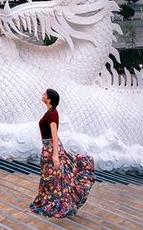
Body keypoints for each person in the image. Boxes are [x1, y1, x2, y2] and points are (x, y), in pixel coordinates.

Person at [29, 88, 95, 218]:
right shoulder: (49, 112)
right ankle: (47, 200)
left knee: (52, 177)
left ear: (49, 99)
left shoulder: (53, 114)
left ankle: (56, 202)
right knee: (48, 176)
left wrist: (55, 155)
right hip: (48, 147)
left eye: (44, 94)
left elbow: (54, 135)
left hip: (52, 148)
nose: (42, 95)